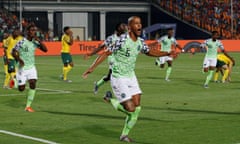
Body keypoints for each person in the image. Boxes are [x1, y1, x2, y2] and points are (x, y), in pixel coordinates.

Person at [82, 16, 176, 142]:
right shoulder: (122, 40)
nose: (139, 26)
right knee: (130, 109)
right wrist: (92, 67)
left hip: (131, 77)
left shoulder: (140, 42)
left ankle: (124, 135)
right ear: (129, 27)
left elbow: (149, 52)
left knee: (137, 107)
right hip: (118, 77)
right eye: (136, 24)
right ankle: (110, 99)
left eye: (140, 23)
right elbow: (106, 52)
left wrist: (166, 53)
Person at [12, 24, 48, 112]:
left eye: (34, 30)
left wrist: (39, 41)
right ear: (27, 31)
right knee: (21, 89)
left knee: (33, 83)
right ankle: (15, 79)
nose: (33, 32)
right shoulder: (22, 41)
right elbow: (13, 51)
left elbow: (45, 50)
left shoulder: (35, 42)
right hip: (22, 68)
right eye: (32, 30)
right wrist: (19, 59)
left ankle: (28, 106)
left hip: (31, 67)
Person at [85, 23, 127, 94]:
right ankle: (122, 93)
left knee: (110, 77)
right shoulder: (111, 38)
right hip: (112, 58)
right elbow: (101, 47)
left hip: (122, 59)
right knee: (117, 75)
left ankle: (97, 84)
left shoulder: (125, 37)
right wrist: (91, 54)